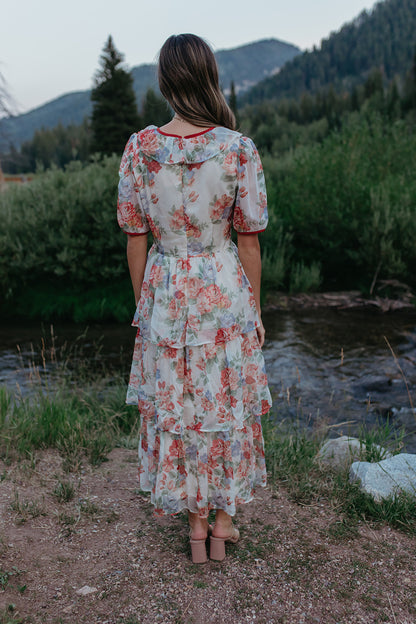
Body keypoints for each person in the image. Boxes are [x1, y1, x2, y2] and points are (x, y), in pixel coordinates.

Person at [117, 33, 272, 563]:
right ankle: (224, 524)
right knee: (225, 404)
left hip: (166, 290)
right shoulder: (237, 148)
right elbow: (248, 241)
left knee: (182, 406)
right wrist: (254, 308)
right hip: (223, 288)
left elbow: (135, 240)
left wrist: (146, 307)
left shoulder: (140, 148)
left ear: (164, 81)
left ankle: (196, 532)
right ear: (208, 76)